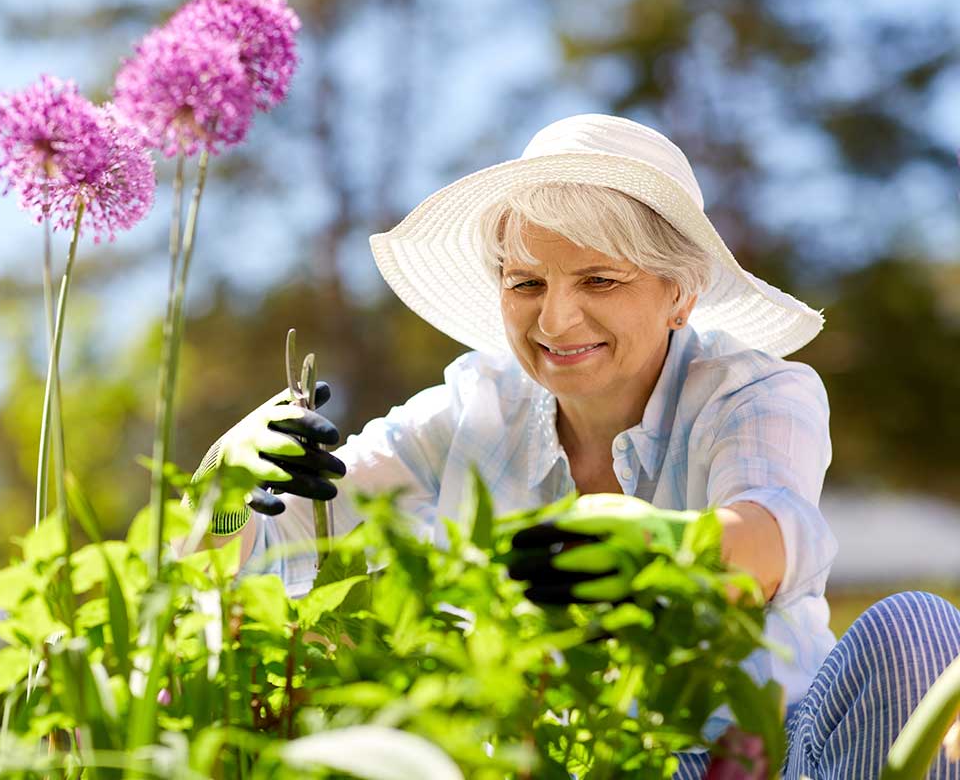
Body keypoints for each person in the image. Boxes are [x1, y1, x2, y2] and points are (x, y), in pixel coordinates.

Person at [199, 114, 960, 778]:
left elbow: (776, 535)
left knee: (919, 629)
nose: (556, 321)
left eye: (599, 280)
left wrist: (672, 549)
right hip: (560, 757)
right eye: (526, 283)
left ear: (680, 293)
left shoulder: (751, 392)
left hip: (767, 756)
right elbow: (282, 540)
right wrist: (231, 480)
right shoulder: (473, 406)